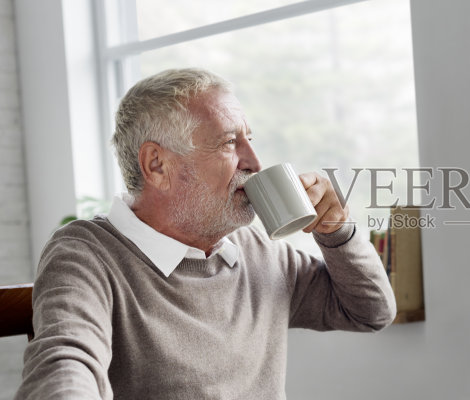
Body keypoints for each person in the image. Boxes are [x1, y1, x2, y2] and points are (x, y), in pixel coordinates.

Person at [15, 68, 396, 400]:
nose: (255, 162)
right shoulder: (88, 253)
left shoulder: (254, 249)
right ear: (156, 164)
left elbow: (370, 312)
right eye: (230, 142)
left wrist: (336, 229)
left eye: (249, 140)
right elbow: (64, 364)